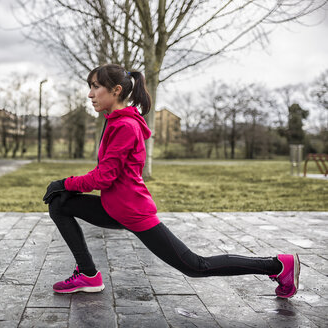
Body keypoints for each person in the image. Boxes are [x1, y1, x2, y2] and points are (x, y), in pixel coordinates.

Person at [42, 63, 300, 298]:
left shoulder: (125, 127)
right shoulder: (116, 122)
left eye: (95, 87)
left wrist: (64, 182)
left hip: (132, 211)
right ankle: (88, 274)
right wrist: (62, 188)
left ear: (116, 90)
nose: (90, 94)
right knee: (60, 203)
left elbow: (104, 177)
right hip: (115, 207)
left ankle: (278, 265)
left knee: (196, 266)